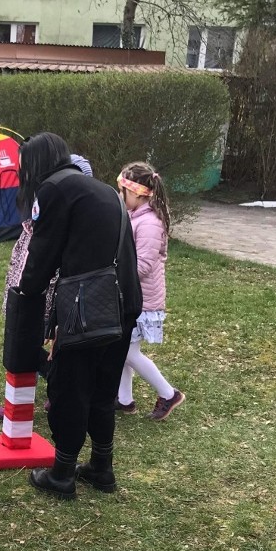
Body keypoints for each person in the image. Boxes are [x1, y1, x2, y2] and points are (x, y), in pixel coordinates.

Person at [18, 132, 142, 499]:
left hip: (87, 307)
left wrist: (26, 295)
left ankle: (62, 472)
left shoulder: (54, 189)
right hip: (124, 302)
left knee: (70, 386)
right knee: (103, 388)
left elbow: (43, 251)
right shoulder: (97, 187)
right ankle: (102, 467)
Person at [0, 153, 94, 420]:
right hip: (25, 290)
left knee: (47, 349)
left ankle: (53, 394)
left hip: (49, 297)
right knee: (21, 345)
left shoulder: (72, 223)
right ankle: (19, 403)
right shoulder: (41, 208)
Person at [115, 162, 185, 420]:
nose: (120, 196)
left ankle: (168, 394)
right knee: (123, 348)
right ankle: (124, 399)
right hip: (133, 295)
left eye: (122, 191)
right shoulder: (136, 218)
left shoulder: (149, 224)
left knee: (128, 351)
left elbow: (142, 265)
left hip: (142, 300)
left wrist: (115, 273)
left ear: (137, 193)